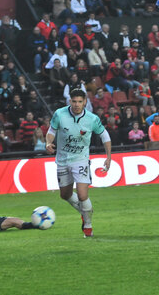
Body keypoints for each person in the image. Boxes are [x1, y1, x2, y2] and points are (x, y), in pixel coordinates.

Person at [46, 89, 112, 238]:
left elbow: (104, 135)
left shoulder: (92, 119)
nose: (76, 105)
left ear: (85, 102)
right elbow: (51, 131)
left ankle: (88, 226)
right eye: (74, 101)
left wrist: (108, 157)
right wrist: (48, 142)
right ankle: (85, 212)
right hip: (62, 160)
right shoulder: (59, 114)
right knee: (65, 195)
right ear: (70, 101)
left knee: (82, 195)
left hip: (81, 160)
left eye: (80, 102)